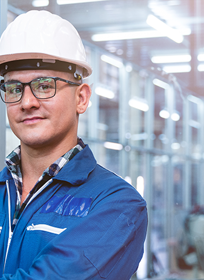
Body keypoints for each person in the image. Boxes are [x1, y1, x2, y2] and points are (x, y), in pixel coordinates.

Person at [0, 10, 148, 279]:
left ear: (81, 98)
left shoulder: (117, 205)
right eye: (13, 88)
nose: (27, 102)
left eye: (44, 85)